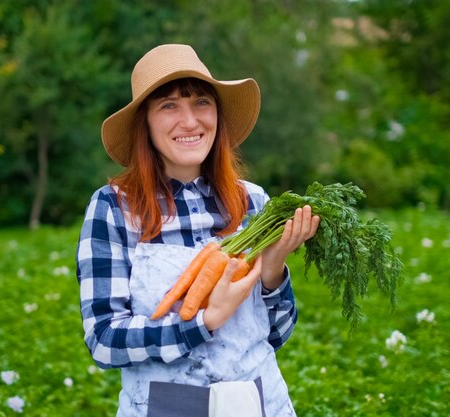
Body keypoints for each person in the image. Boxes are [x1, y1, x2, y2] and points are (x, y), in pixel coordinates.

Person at [76, 44, 319, 417]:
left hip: (260, 405)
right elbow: (105, 340)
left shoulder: (253, 203)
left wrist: (273, 274)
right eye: (169, 105)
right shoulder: (114, 208)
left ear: (217, 115)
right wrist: (203, 322)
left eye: (201, 102)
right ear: (146, 123)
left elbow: (275, 335)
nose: (190, 121)